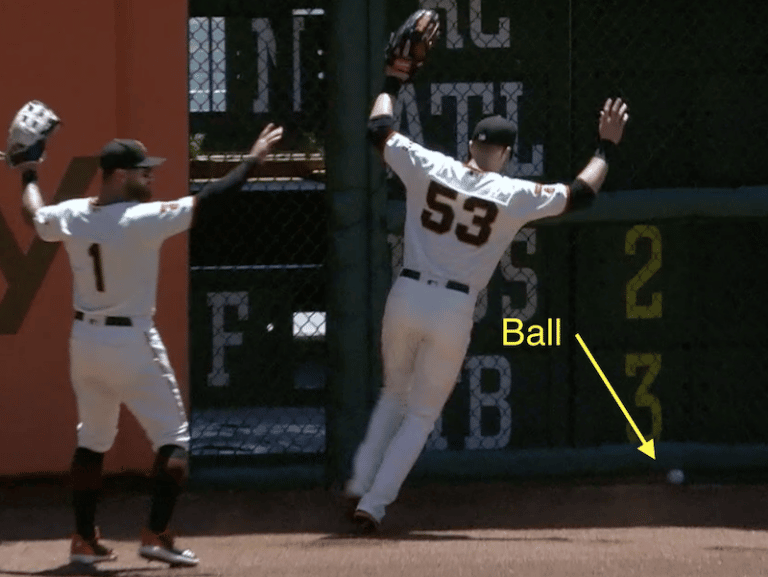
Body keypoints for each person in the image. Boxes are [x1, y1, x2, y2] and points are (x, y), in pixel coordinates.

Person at [344, 67, 629, 532]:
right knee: (420, 415)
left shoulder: (429, 165)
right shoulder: (511, 194)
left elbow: (378, 128)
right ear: (506, 154)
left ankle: (359, 482)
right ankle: (372, 504)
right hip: (454, 309)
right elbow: (580, 193)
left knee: (395, 393)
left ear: (471, 145)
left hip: (407, 295)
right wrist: (605, 147)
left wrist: (393, 80)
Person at [16, 123, 283, 565]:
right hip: (132, 340)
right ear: (119, 175)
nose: (151, 178)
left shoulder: (74, 213)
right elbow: (214, 196)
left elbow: (34, 214)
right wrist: (253, 159)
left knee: (93, 440)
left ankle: (83, 539)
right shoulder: (141, 219)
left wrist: (27, 171)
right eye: (143, 172)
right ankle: (156, 534)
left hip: (85, 340)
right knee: (174, 440)